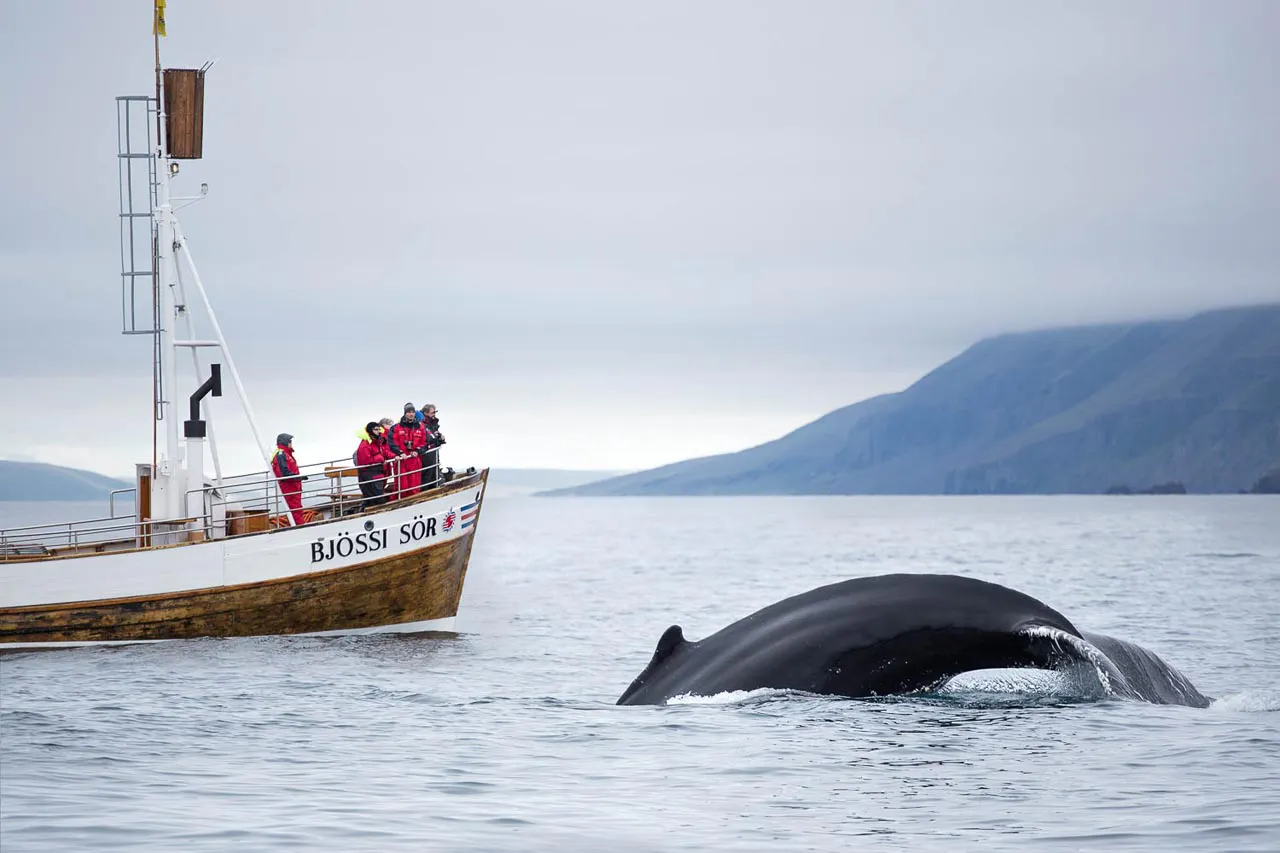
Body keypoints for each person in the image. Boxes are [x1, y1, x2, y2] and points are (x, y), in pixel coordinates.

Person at [387, 403, 427, 497]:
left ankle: (415, 504)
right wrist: (400, 453)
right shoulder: (396, 428)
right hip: (402, 461)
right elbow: (391, 443)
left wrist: (417, 451)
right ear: (405, 413)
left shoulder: (420, 428)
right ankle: (398, 504)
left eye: (413, 412)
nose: (411, 414)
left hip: (414, 460)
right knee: (401, 486)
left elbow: (425, 443)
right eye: (409, 412)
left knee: (414, 486)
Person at [270, 432, 307, 526]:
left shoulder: (284, 454)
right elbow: (284, 473)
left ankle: (299, 527)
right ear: (285, 442)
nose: (291, 443)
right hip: (290, 488)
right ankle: (300, 529)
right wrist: (298, 477)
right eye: (290, 441)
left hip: (293, 487)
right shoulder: (281, 455)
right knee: (296, 510)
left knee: (296, 509)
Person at [355, 421, 389, 511]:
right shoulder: (365, 445)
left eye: (378, 429)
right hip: (370, 476)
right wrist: (379, 458)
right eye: (375, 429)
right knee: (376, 499)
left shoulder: (376, 442)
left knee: (375, 499)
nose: (378, 431)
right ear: (370, 431)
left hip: (376, 475)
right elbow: (364, 462)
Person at [419, 404, 445, 490]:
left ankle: (435, 486)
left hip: (434, 453)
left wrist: (440, 438)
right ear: (426, 413)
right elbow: (427, 438)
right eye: (432, 412)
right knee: (427, 475)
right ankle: (424, 492)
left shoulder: (432, 424)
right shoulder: (422, 424)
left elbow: (434, 435)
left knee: (435, 473)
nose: (434, 414)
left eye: (435, 412)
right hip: (427, 455)